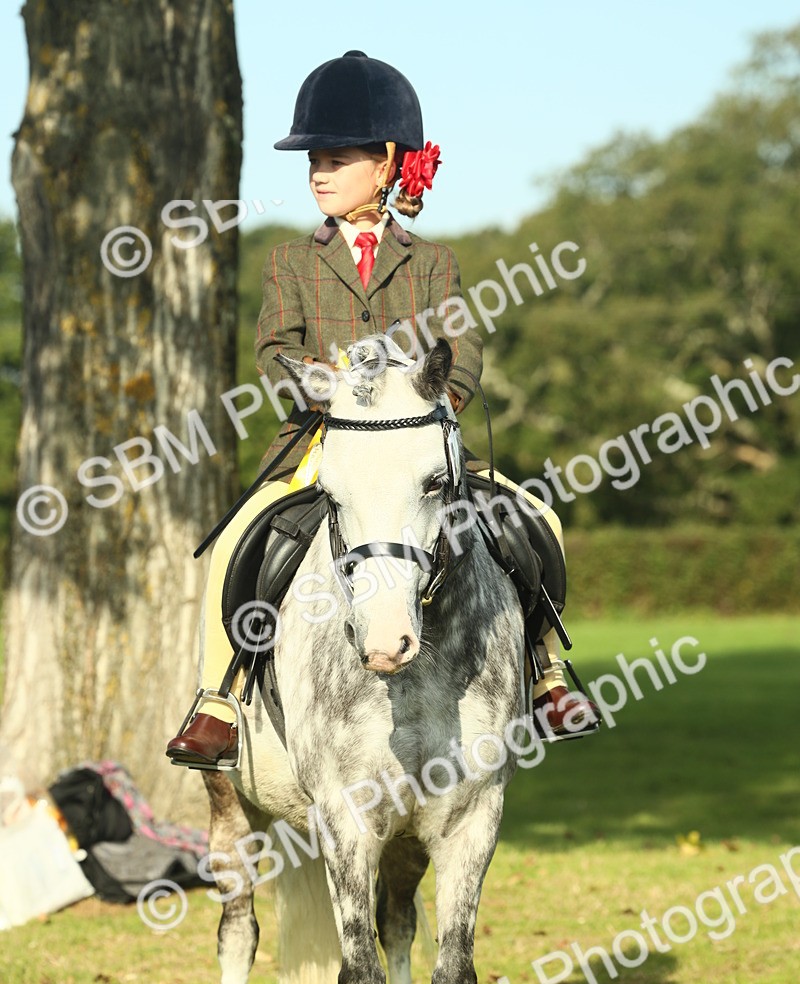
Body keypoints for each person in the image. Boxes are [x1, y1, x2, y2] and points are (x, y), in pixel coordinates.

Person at [167, 50, 598, 769]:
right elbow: (272, 347)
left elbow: (462, 346)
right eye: (313, 161)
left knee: (536, 518)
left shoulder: (433, 263)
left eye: (335, 158)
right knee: (238, 540)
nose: (318, 173)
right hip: (319, 446)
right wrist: (310, 382)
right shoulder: (289, 263)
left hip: (414, 446)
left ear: (388, 165)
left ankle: (546, 673)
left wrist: (440, 404)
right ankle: (221, 697)